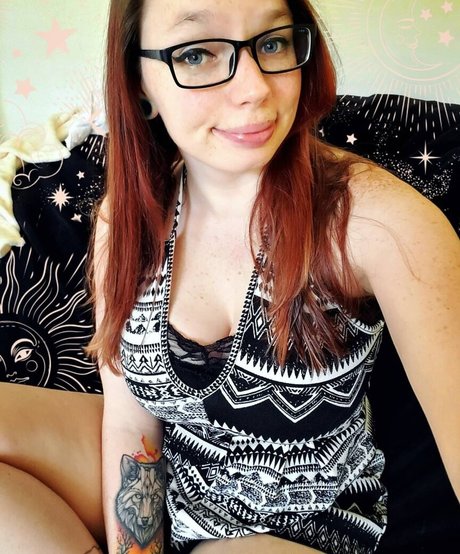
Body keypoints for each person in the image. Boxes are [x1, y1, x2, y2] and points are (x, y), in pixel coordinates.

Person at [0, 0, 458, 553]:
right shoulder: (125, 220)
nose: (254, 89)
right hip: (178, 476)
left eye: (273, 42)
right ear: (137, 79)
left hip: (299, 522)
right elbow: (131, 425)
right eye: (197, 54)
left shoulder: (379, 224)